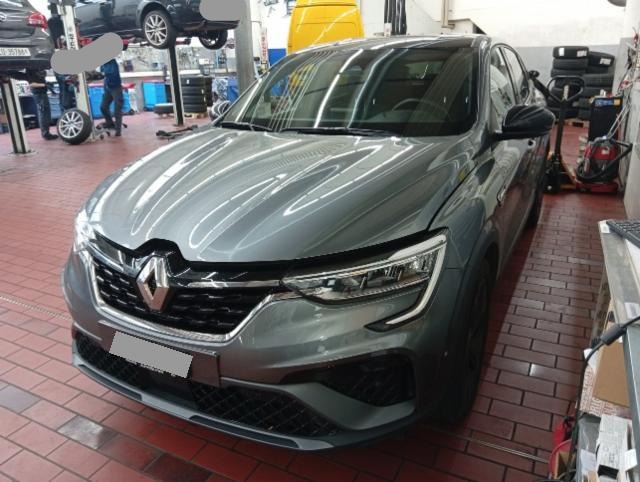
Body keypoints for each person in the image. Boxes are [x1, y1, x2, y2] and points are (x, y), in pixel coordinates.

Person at [12, 70, 58, 140]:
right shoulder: (32, 69)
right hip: (38, 94)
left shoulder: (38, 68)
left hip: (42, 93)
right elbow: (31, 84)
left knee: (46, 113)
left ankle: (46, 132)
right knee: (43, 113)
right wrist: (44, 85)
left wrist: (47, 85)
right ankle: (45, 133)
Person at [99, 59, 123, 136]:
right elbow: (102, 74)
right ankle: (110, 123)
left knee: (117, 109)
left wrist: (104, 73)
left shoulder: (112, 62)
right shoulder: (102, 63)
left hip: (116, 88)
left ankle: (118, 130)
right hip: (107, 88)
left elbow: (113, 73)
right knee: (103, 107)